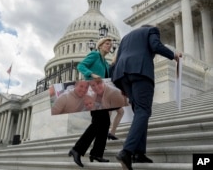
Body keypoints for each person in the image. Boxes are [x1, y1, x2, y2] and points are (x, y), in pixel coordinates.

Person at [112, 25, 182, 170]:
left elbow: (116, 60)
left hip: (122, 75)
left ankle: (139, 153)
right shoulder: (152, 30)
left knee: (139, 112)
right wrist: (173, 55)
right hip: (140, 72)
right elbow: (155, 45)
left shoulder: (126, 37)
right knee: (143, 111)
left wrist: (121, 86)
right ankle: (127, 151)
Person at [68, 37, 112, 167]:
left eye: (111, 44)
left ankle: (97, 154)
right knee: (98, 122)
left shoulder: (105, 63)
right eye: (107, 44)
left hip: (101, 94)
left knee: (105, 123)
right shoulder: (95, 55)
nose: (110, 46)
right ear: (100, 46)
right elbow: (81, 66)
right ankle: (77, 149)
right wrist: (92, 74)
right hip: (92, 93)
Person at [108, 55, 125, 140]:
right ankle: (110, 132)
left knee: (119, 111)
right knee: (116, 111)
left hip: (112, 91)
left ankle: (112, 132)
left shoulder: (111, 67)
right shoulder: (115, 67)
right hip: (112, 92)